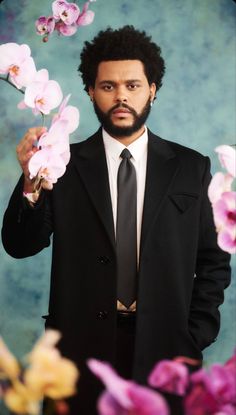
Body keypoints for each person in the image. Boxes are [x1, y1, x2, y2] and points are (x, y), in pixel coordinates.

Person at [1, 26, 231, 415]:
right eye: (107, 86)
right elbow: (20, 245)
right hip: (76, 355)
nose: (121, 95)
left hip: (166, 352)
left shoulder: (192, 168)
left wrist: (193, 335)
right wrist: (30, 179)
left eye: (133, 85)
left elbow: (213, 260)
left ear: (153, 89)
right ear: (90, 91)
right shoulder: (61, 163)